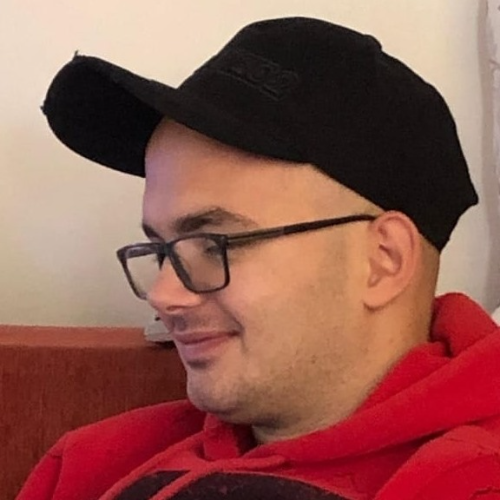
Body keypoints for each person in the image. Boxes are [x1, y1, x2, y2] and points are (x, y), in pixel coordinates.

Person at [17, 16, 500, 500]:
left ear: (383, 260)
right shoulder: (88, 463)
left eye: (215, 245)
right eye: (162, 250)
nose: (163, 296)